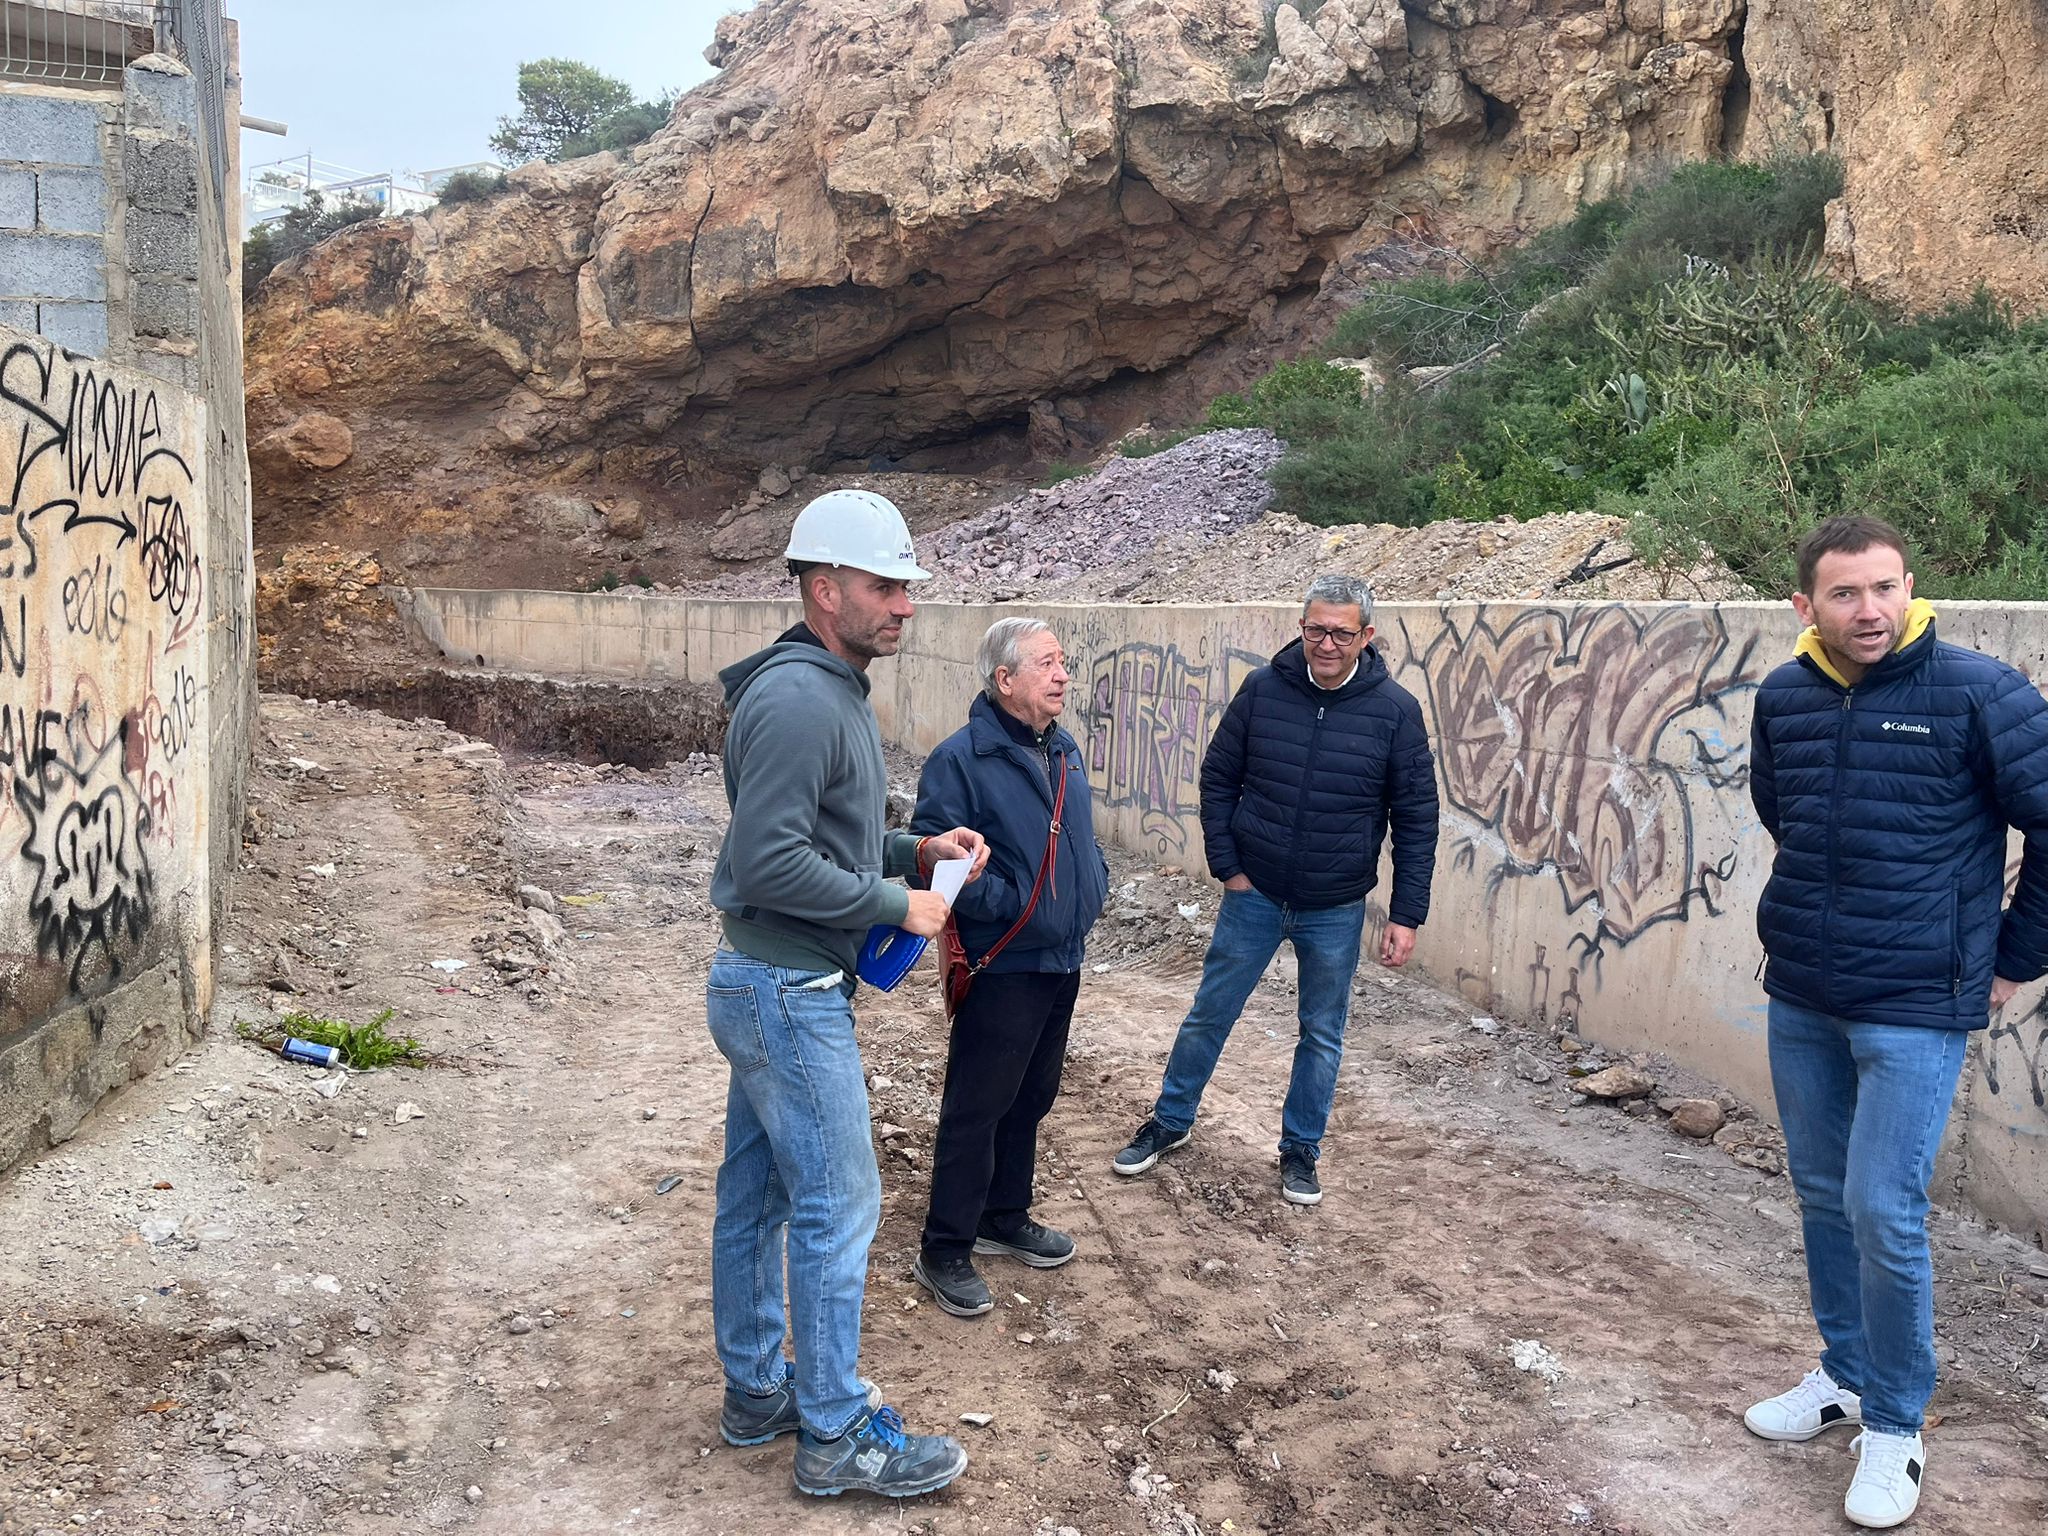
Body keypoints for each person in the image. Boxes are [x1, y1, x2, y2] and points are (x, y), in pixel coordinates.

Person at [1744, 515, 2048, 1529]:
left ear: (1910, 587)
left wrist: (2011, 957)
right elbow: (1782, 813)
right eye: (1843, 594)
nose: (1867, 611)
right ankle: (1839, 1373)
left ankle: (1895, 1425)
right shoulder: (1783, 695)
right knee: (1825, 1196)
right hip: (1802, 992)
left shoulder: (1976, 692)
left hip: (1917, 1003)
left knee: (1883, 1207)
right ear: (1804, 607)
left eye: (1883, 589)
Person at [705, 488, 990, 1500]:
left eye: (906, 587)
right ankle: (833, 1435)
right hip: (786, 987)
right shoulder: (796, 700)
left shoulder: (826, 689)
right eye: (883, 586)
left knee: (762, 1195)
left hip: (766, 982)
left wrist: (915, 850)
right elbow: (768, 860)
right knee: (839, 1200)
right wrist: (893, 901)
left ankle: (757, 1392)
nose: (902, 605)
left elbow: (819, 838)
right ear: (824, 590)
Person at [1112, 573, 1439, 1205]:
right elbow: (1217, 778)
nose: (1326, 643)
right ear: (1302, 628)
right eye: (1316, 629)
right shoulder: (1262, 692)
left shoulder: (1395, 712)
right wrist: (1229, 866)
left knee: (1321, 1031)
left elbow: (1417, 818)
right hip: (1254, 894)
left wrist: (1407, 913)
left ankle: (1299, 1151)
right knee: (1210, 1012)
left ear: (1366, 636)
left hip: (1336, 904)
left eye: (1342, 633)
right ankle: (1170, 1122)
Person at [907, 618, 1110, 1317]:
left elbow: (1079, 840)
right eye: (1048, 664)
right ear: (1005, 679)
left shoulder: (1065, 749)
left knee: (1032, 1095)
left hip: (1061, 958)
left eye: (1063, 664)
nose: (1062, 676)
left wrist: (1093, 885)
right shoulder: (960, 759)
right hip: (1002, 961)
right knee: (977, 1106)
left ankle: (1004, 1215)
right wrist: (1013, 904)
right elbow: (935, 856)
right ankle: (944, 1248)